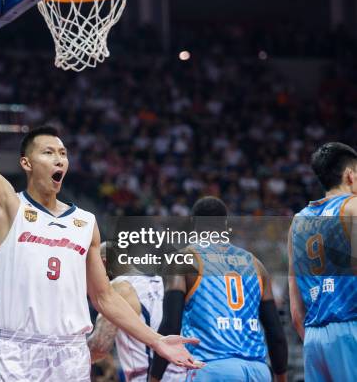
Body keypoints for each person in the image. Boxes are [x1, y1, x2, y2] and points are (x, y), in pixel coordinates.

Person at [0, 0, 202, 382]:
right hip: (18, 353)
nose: (59, 158)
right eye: (48, 152)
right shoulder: (6, 207)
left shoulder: (85, 223)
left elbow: (105, 298)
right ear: (26, 163)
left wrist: (157, 341)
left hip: (71, 356)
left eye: (63, 152)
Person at [151, 196, 288, 382]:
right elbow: (275, 332)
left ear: (194, 224)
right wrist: (280, 376)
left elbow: (170, 326)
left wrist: (154, 377)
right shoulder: (255, 264)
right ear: (225, 224)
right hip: (258, 370)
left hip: (212, 368)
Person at [288, 142, 357, 382]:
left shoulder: (298, 222)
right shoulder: (352, 207)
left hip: (313, 340)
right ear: (350, 175)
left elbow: (296, 311)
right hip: (350, 329)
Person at [87, 243, 185, 382]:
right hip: (183, 375)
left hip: (149, 377)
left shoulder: (118, 289)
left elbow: (99, 347)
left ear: (103, 262)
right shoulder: (164, 281)